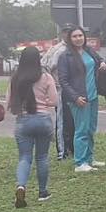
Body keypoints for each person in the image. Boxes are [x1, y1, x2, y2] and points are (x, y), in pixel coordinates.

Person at [7, 46, 58, 208]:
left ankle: (21, 185)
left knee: (24, 157)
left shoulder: (15, 78)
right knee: (42, 158)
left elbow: (8, 102)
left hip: (23, 121)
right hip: (43, 120)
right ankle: (43, 192)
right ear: (38, 59)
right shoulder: (45, 77)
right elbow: (55, 101)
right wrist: (44, 102)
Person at [56, 26, 106, 173]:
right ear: (69, 38)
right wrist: (75, 97)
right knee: (81, 130)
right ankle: (80, 162)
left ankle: (89, 158)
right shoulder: (65, 56)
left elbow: (100, 60)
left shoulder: (89, 51)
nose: (78, 38)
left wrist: (104, 63)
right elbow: (63, 80)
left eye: (80, 35)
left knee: (91, 129)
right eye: (74, 36)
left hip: (93, 96)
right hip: (79, 98)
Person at [43, 31, 75, 162]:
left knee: (74, 121)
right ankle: (62, 151)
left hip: (75, 90)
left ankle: (73, 149)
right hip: (61, 89)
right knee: (62, 121)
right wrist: (51, 85)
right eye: (66, 33)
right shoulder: (57, 50)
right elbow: (45, 66)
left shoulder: (76, 48)